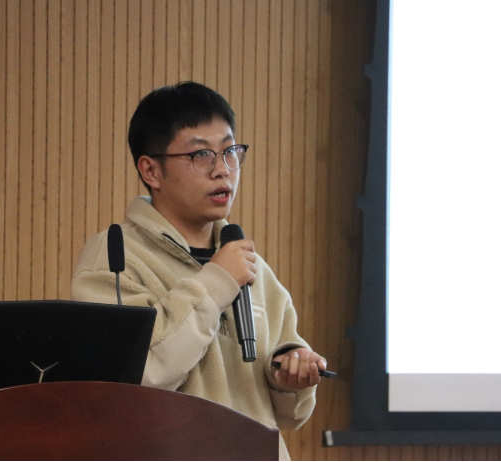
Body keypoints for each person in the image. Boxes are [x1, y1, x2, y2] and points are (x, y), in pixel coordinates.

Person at [71, 82, 326, 460]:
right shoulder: (115, 257)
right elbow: (141, 376)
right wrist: (217, 282)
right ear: (151, 170)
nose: (222, 170)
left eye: (230, 151)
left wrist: (290, 377)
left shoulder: (249, 264)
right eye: (201, 155)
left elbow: (288, 415)